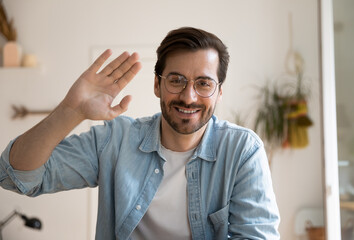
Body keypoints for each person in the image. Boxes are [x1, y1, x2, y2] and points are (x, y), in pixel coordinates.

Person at [0, 27, 280, 239]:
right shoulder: (116, 141)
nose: (189, 96)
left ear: (219, 92)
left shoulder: (243, 150)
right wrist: (70, 111)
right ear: (157, 85)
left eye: (204, 84)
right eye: (176, 80)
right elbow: (15, 176)